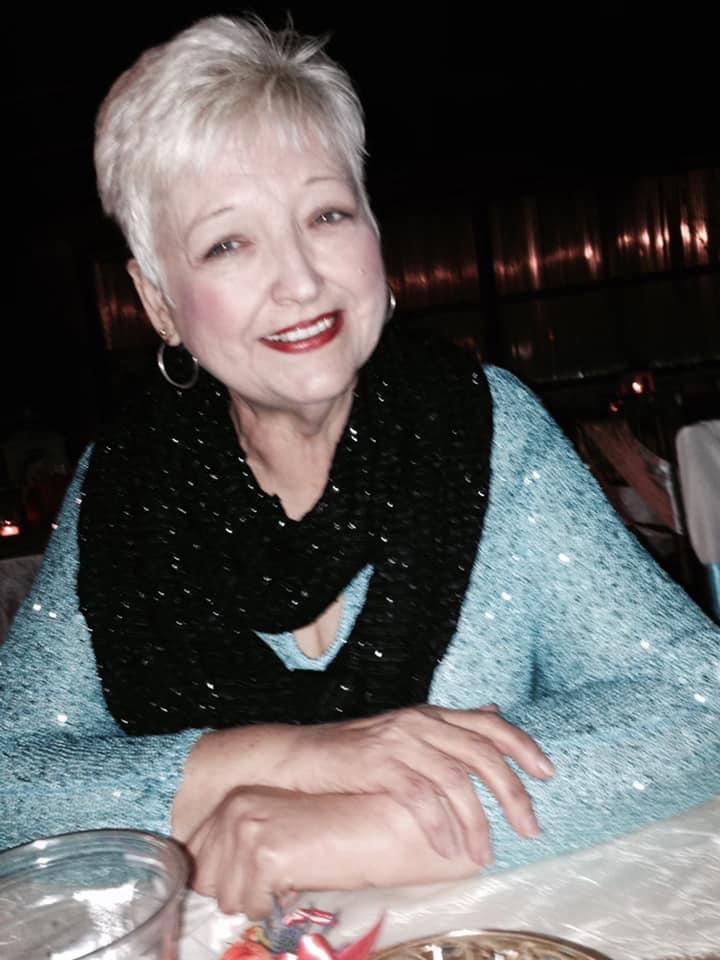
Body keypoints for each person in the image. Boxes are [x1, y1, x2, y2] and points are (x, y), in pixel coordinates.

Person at [1, 15, 718, 919]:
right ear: (159, 302)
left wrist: (369, 825)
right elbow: (12, 778)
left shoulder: (483, 425)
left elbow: (701, 701)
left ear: (375, 232)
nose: (301, 281)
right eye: (228, 243)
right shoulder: (121, 487)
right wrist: (280, 760)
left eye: (326, 215)